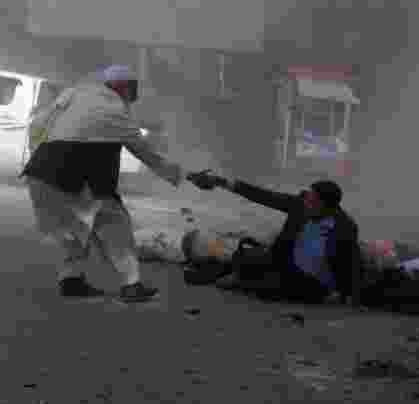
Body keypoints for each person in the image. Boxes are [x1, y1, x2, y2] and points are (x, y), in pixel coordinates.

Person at [21, 65, 189, 302]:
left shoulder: (72, 95)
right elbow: (145, 151)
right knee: (116, 227)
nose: (133, 96)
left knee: (74, 229)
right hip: (75, 177)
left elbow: (38, 123)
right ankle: (132, 286)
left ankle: (71, 281)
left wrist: (38, 156)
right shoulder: (114, 107)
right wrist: (182, 175)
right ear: (123, 88)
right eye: (131, 89)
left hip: (40, 174)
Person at [187, 173, 362, 305]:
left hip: (309, 280)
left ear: (326, 205)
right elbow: (263, 196)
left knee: (272, 285)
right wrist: (221, 182)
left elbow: (350, 262)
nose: (307, 201)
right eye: (308, 197)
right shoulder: (300, 206)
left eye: (312, 200)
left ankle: (240, 275)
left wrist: (346, 293)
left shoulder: (344, 227)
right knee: (247, 259)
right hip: (279, 262)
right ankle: (234, 270)